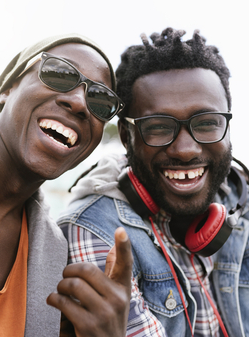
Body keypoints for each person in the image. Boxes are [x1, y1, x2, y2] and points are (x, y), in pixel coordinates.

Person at [58, 28, 249, 337]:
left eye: (207, 123)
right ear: (125, 137)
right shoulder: (94, 230)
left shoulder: (240, 199)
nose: (186, 150)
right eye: (158, 127)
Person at [0, 33, 133, 337]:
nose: (78, 103)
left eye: (100, 100)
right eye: (59, 74)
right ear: (9, 88)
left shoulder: (55, 255)